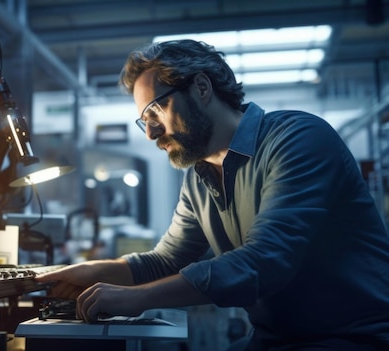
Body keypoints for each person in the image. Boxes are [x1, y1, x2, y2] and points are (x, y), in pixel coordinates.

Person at [36, 39, 389, 351]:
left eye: (156, 110)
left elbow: (265, 261)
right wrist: (89, 271)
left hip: (354, 337)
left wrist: (137, 298)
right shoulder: (199, 178)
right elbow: (165, 261)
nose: (151, 133)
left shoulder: (297, 139)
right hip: (274, 339)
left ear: (201, 87)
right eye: (143, 120)